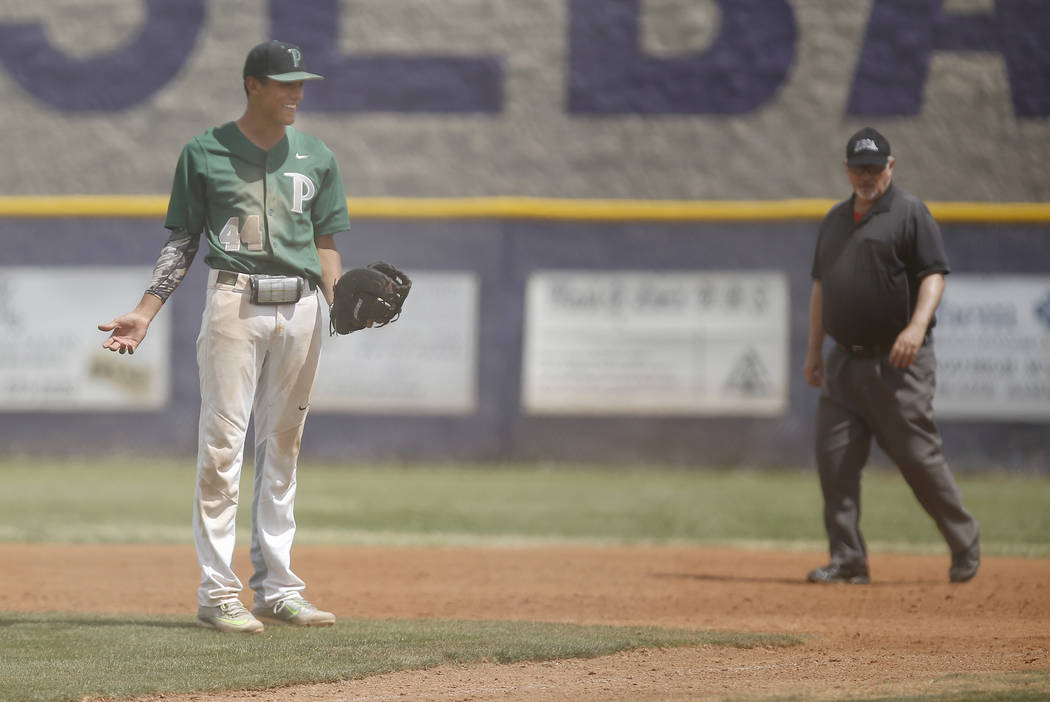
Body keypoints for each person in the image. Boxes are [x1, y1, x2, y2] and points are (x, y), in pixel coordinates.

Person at [98, 40, 350, 632]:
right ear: (252, 85)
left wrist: (337, 303)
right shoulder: (204, 152)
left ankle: (279, 589)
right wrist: (146, 308)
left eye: (301, 82)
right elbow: (184, 240)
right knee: (222, 448)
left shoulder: (316, 156)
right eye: (284, 82)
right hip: (235, 300)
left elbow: (328, 242)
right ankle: (217, 593)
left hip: (303, 307)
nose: (296, 92)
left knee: (283, 447)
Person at [803, 127, 980, 585]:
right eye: (859, 168)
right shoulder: (834, 220)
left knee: (917, 458)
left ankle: (964, 539)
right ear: (847, 170)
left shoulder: (909, 213)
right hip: (843, 361)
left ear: (890, 167)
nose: (867, 176)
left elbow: (933, 274)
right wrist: (814, 351)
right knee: (834, 461)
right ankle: (848, 559)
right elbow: (821, 288)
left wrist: (916, 327)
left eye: (875, 168)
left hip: (898, 363)